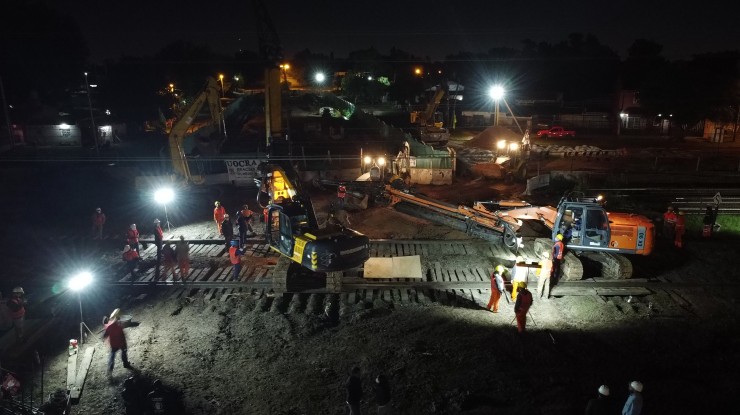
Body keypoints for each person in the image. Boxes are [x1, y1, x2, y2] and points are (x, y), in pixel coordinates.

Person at [103, 308, 131, 375]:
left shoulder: (109, 327)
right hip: (121, 343)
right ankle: (125, 364)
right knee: (124, 353)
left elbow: (105, 335)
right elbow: (123, 335)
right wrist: (125, 343)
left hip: (114, 344)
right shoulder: (119, 326)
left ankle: (110, 368)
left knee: (112, 356)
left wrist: (105, 338)